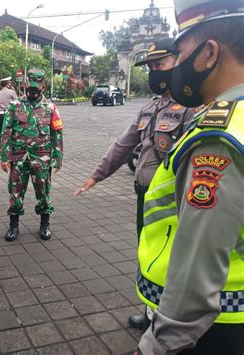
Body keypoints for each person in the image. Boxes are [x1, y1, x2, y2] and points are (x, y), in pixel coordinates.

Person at [134, 1, 244, 354]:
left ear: (209, 53)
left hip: (217, 327)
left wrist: (155, 346)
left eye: (179, 53)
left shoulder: (218, 137)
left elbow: (198, 265)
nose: (174, 67)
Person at [74, 38, 196, 330]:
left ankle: (172, 321)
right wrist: (96, 175)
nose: (155, 72)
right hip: (145, 196)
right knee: (148, 253)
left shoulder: (193, 107)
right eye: (151, 66)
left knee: (172, 260)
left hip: (175, 201)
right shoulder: (150, 108)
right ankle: (152, 312)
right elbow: (123, 144)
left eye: (160, 64)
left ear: (179, 63)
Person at [0, 68, 64, 242]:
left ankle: (45, 225)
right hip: (19, 158)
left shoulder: (50, 107)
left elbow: (56, 134)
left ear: (43, 86)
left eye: (36, 88)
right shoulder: (14, 106)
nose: (32, 91)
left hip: (41, 159)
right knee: (15, 194)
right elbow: (6, 132)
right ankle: (13, 226)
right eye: (30, 88)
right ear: (26, 84)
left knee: (43, 193)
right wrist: (4, 157)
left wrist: (57, 158)